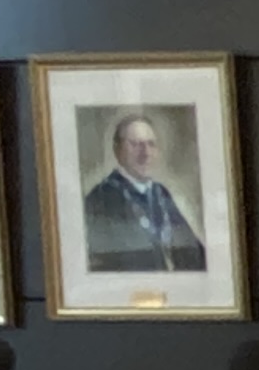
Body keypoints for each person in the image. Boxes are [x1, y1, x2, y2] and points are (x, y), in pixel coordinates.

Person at [84, 111, 209, 271]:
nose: (145, 153)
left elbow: (194, 254)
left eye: (151, 144)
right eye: (135, 144)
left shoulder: (161, 193)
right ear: (117, 150)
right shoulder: (99, 199)